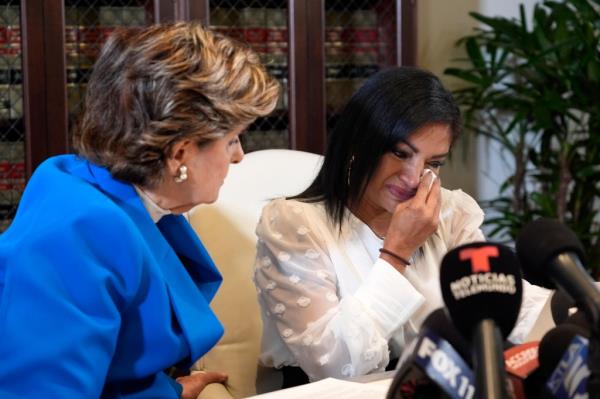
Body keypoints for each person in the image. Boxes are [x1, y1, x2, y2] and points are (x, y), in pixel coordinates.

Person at [0, 22, 279, 398]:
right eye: (231, 139)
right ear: (180, 153)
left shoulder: (121, 196)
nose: (239, 155)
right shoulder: (80, 232)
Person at [253, 66, 550, 384]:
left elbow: (500, 303)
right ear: (359, 142)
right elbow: (335, 366)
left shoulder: (450, 212)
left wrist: (576, 305)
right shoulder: (292, 222)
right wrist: (397, 251)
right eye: (400, 153)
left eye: (433, 163)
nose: (413, 177)